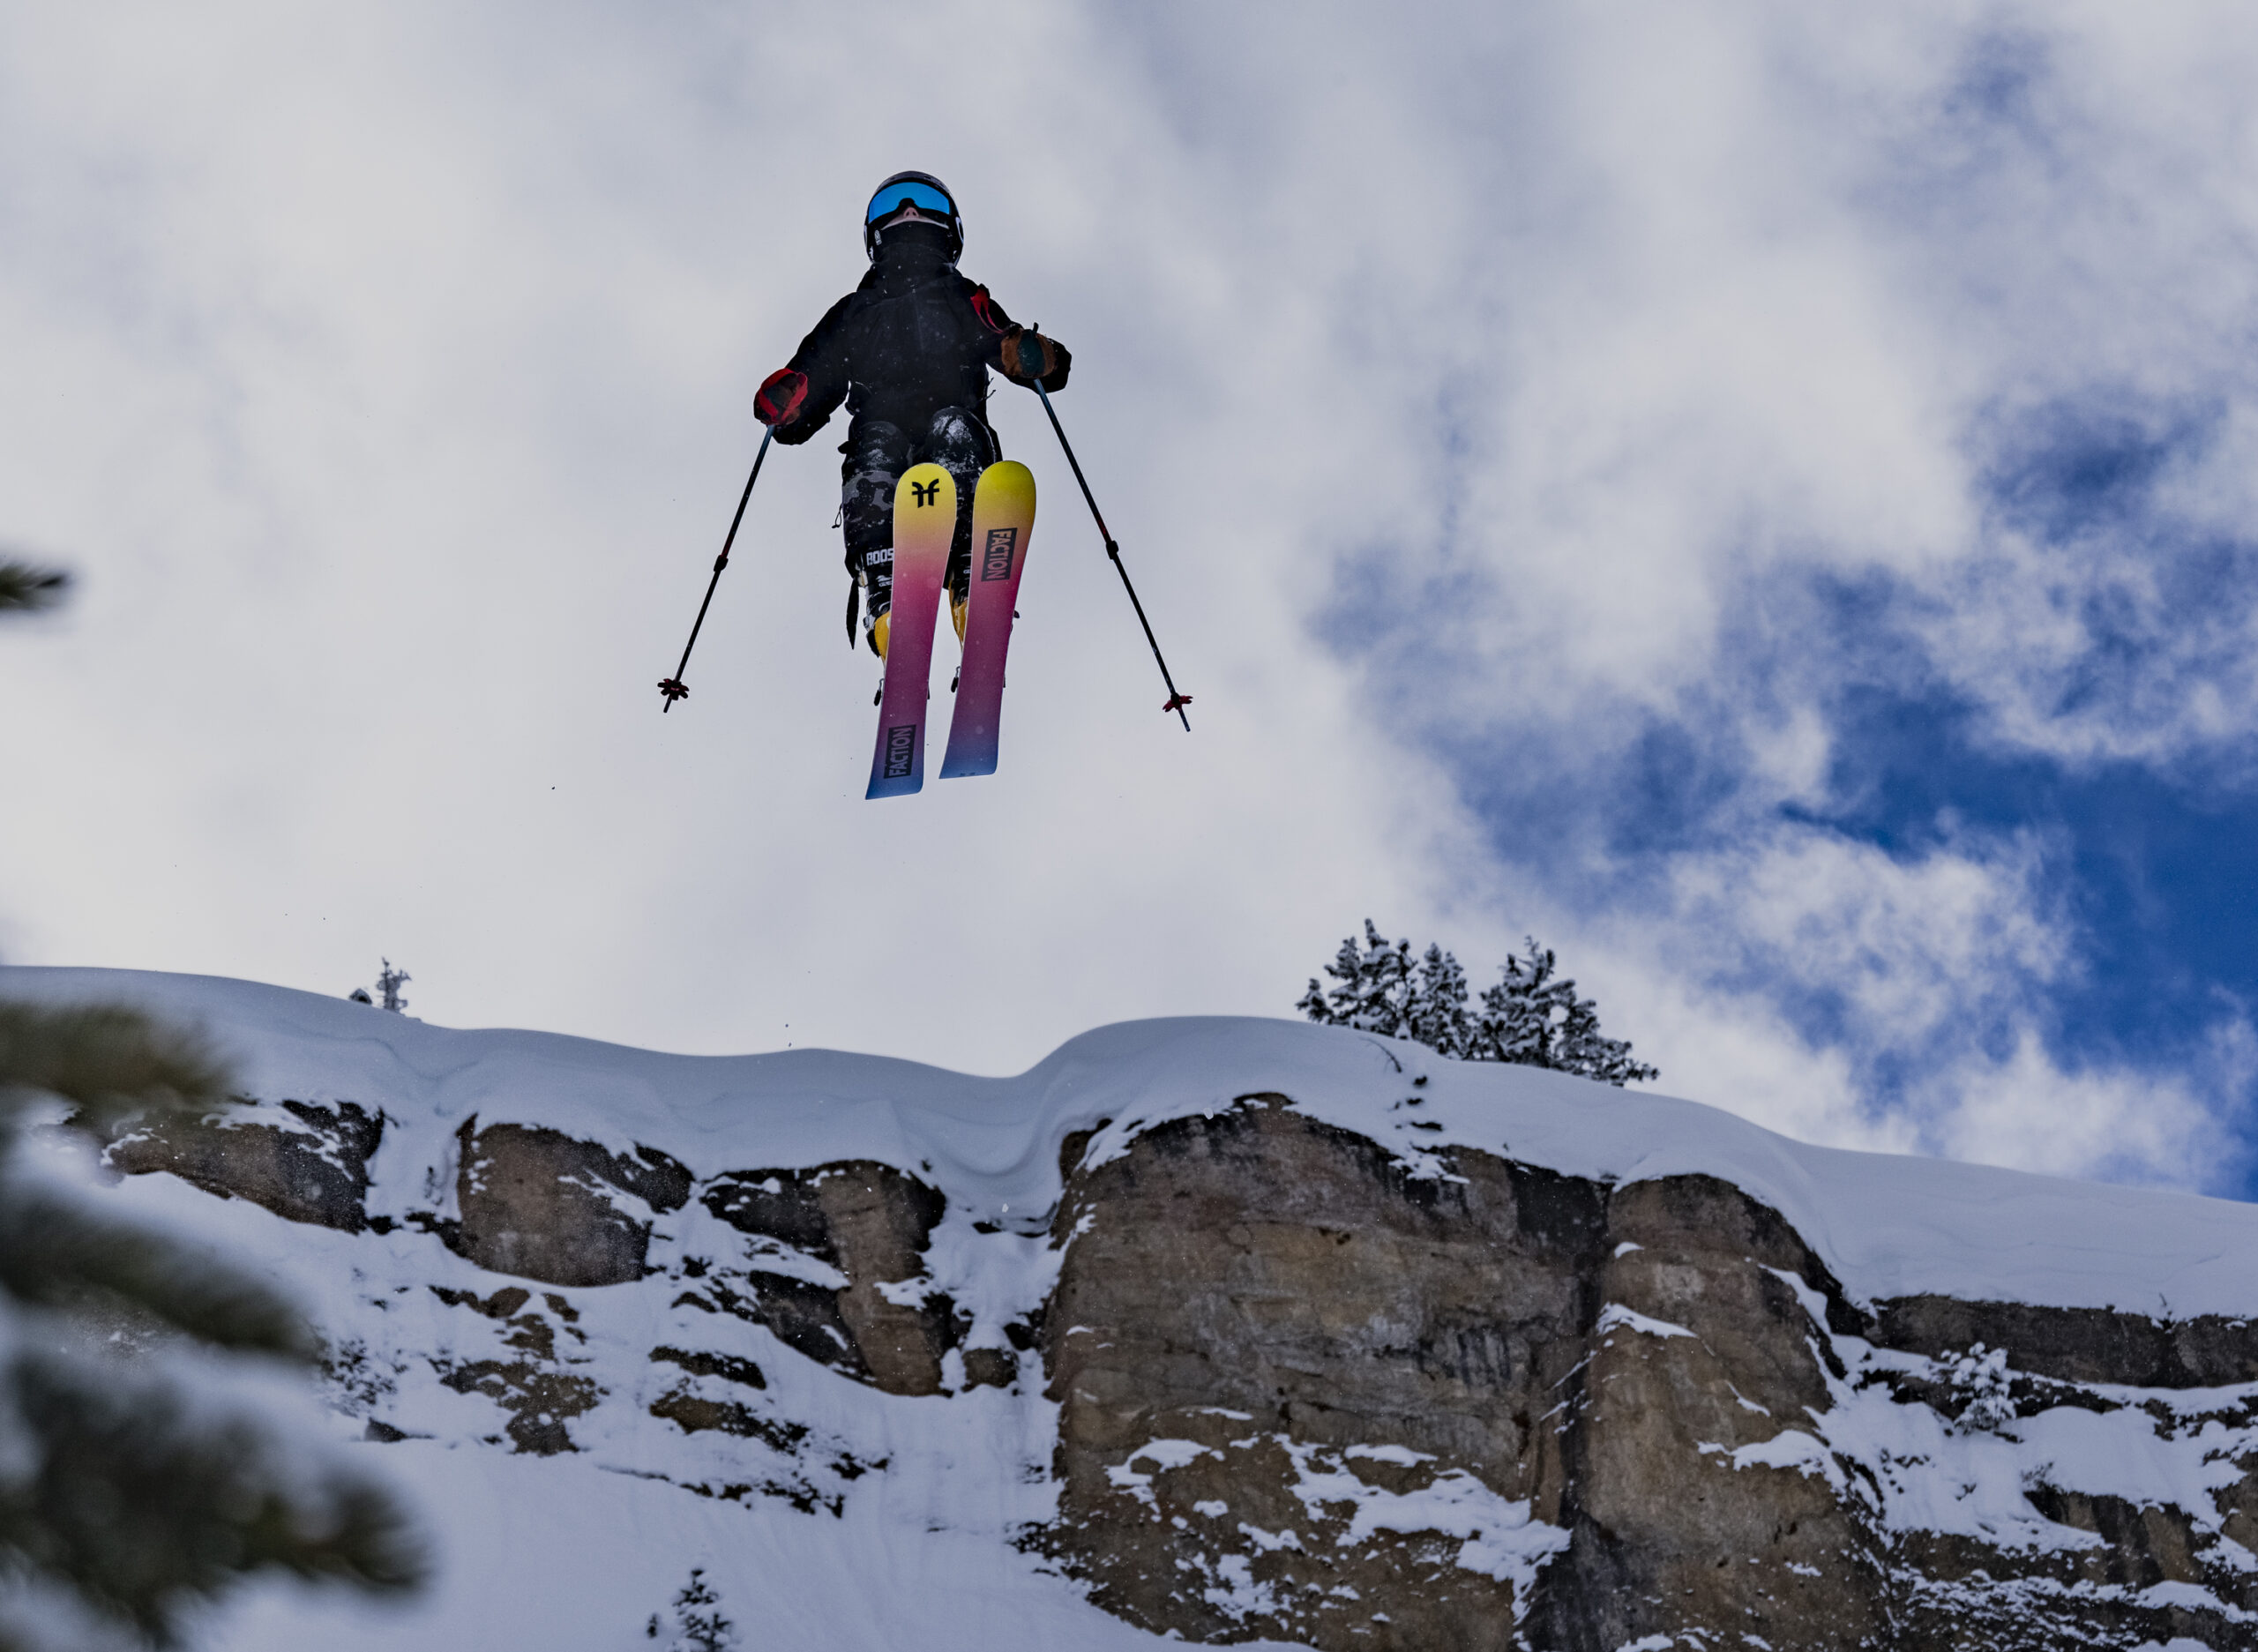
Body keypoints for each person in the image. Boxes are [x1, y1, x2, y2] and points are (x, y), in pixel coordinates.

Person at [752, 172, 1071, 657]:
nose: (909, 212)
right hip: (883, 426)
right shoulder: (854, 312)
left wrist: (1029, 353)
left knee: (954, 430)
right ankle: (887, 593)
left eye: (922, 204)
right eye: (896, 206)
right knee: (874, 447)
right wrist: (790, 404)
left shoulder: (961, 297)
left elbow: (1009, 344)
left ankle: (969, 576)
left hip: (953, 417)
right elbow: (813, 379)